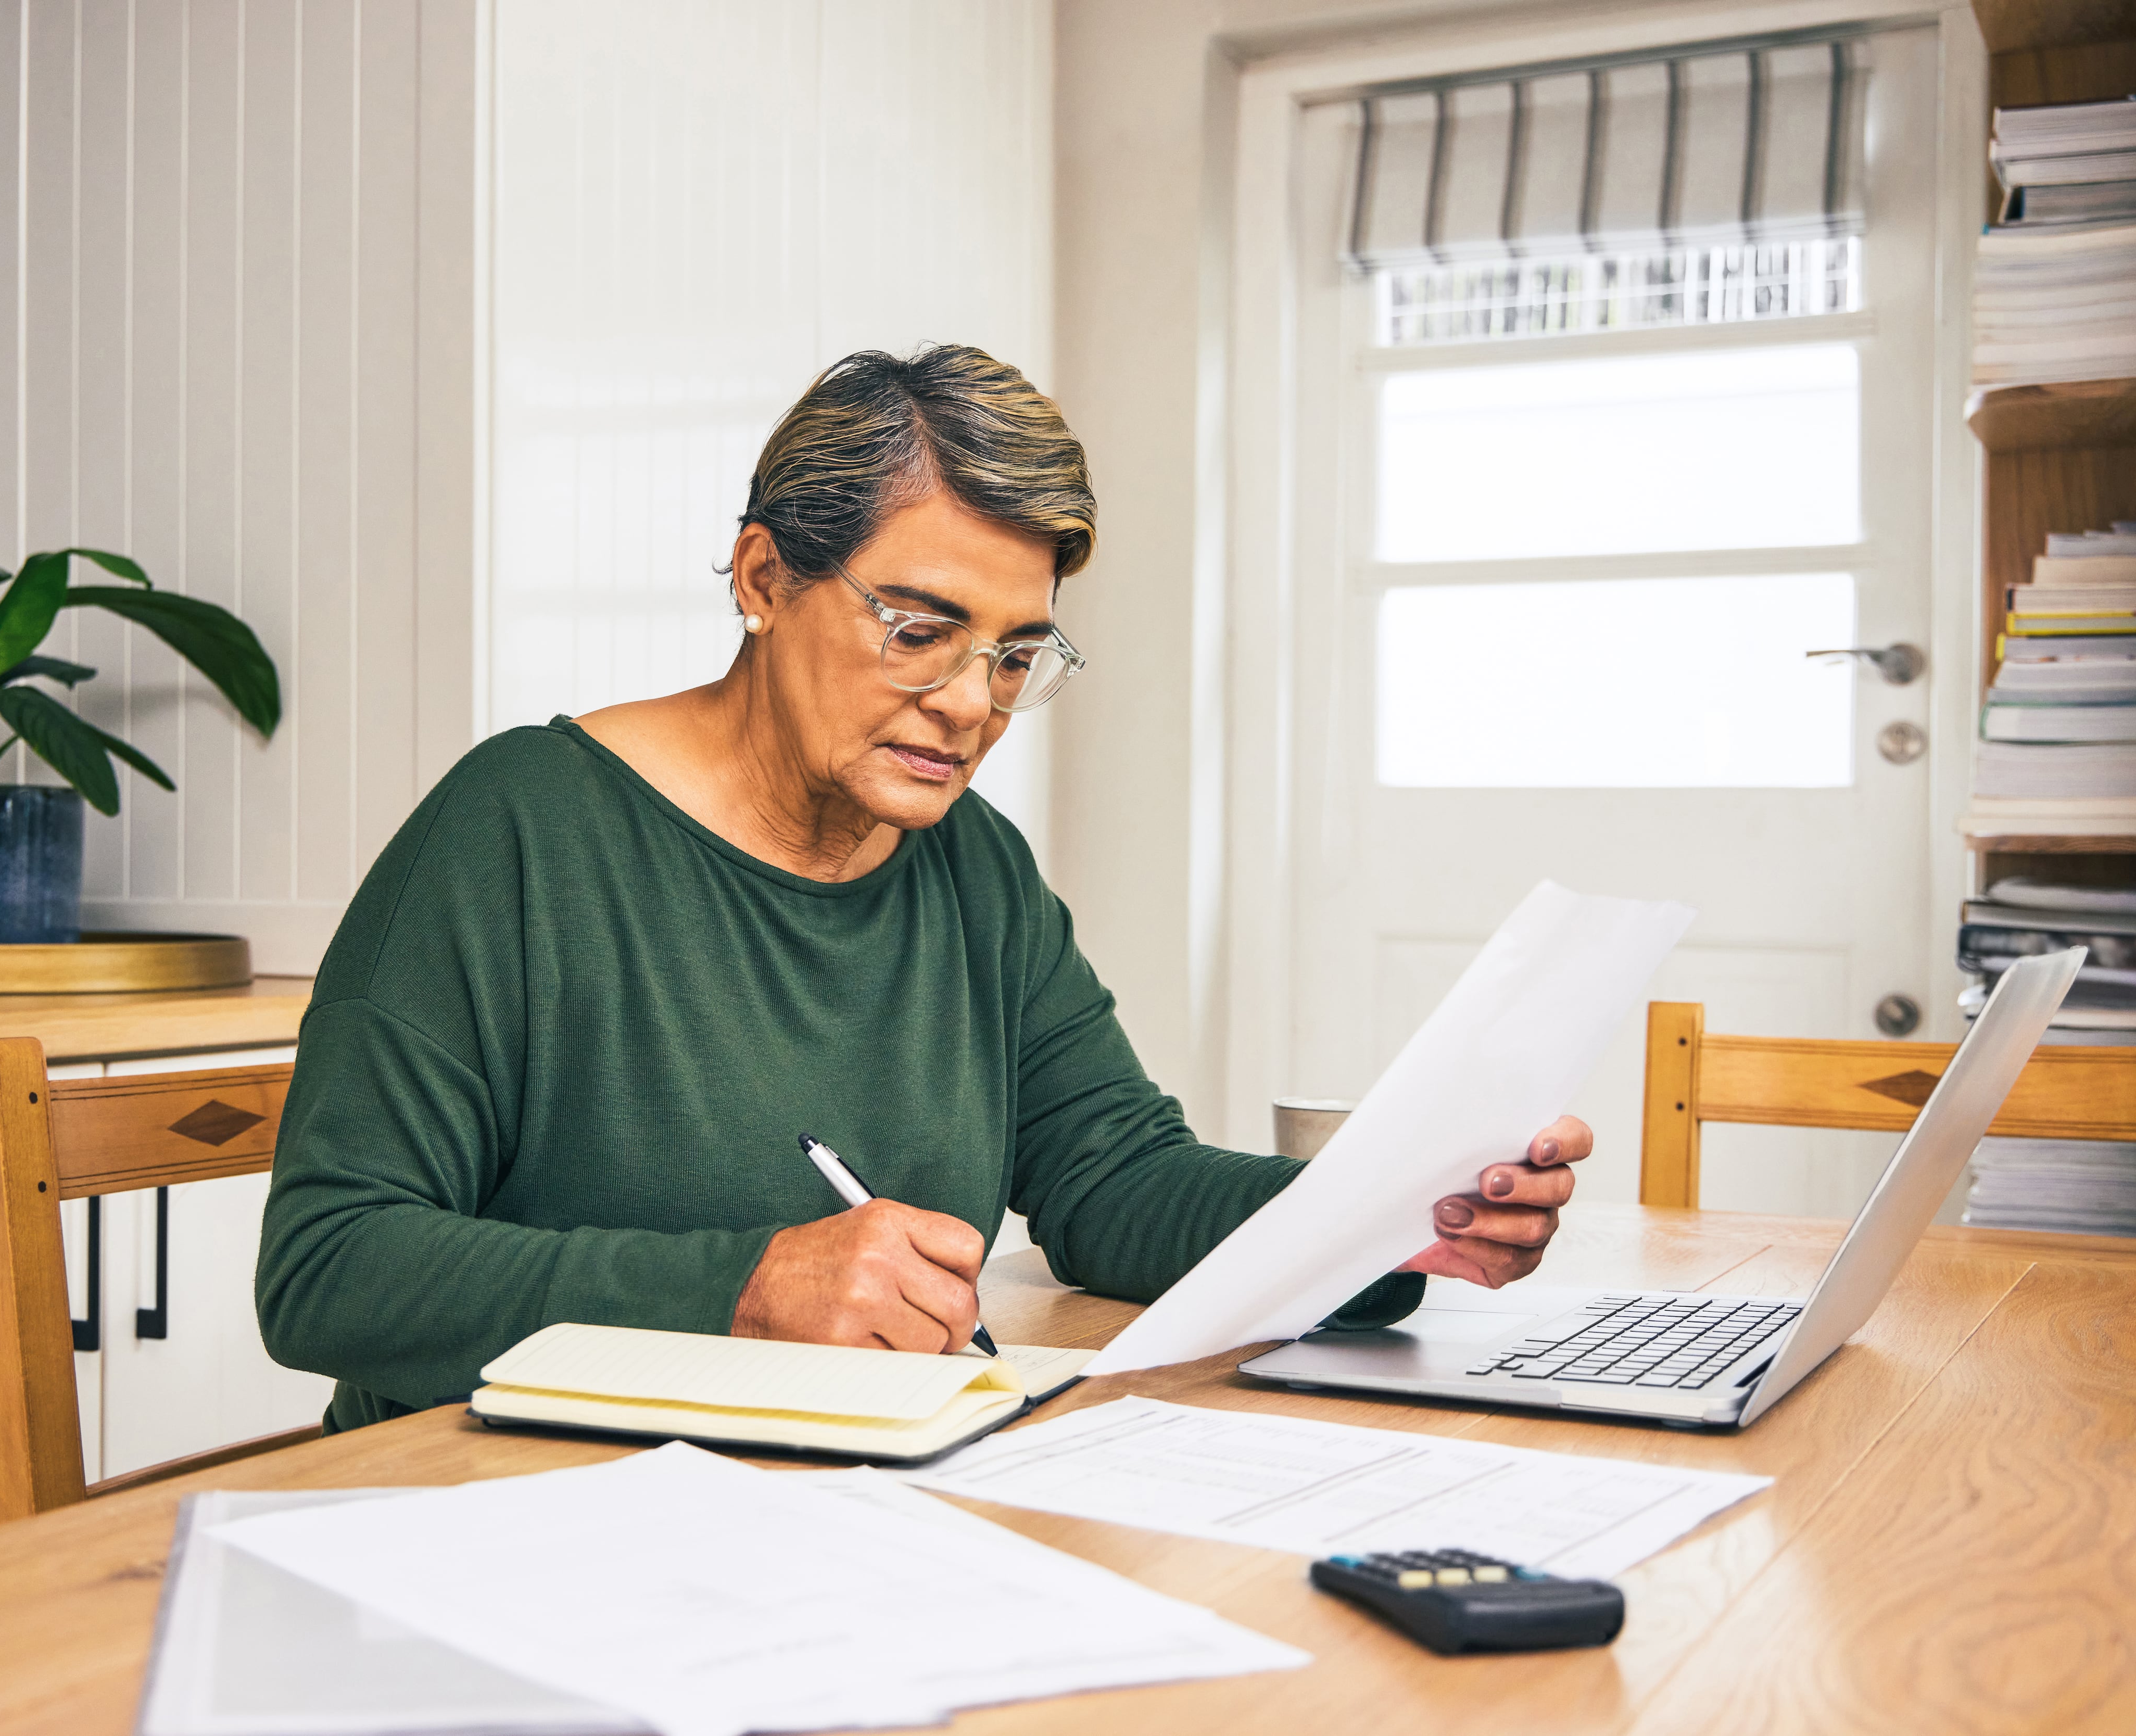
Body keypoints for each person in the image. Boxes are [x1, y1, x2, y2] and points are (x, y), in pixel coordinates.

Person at [256, 344, 1591, 1431]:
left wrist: (1378, 1220)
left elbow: (1112, 1182)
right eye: (919, 630)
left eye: (1017, 653)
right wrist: (745, 1286)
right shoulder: (517, 833)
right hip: (495, 1526)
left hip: (827, 1520)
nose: (970, 705)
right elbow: (329, 1268)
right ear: (762, 577)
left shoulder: (969, 864)